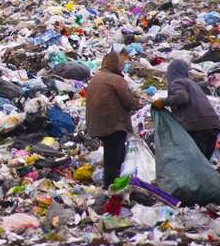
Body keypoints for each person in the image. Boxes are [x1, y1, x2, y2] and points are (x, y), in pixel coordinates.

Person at [85, 50, 141, 188]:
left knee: (112, 154)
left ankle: (110, 183)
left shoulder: (96, 78)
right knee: (114, 158)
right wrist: (137, 103)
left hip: (97, 124)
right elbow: (128, 102)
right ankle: (110, 187)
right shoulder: (116, 80)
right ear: (115, 64)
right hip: (114, 125)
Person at [153, 59, 220, 160]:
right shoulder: (192, 84)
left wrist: (162, 102)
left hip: (198, 127)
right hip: (213, 126)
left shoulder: (177, 82)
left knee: (195, 162)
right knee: (204, 163)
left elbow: (182, 97)